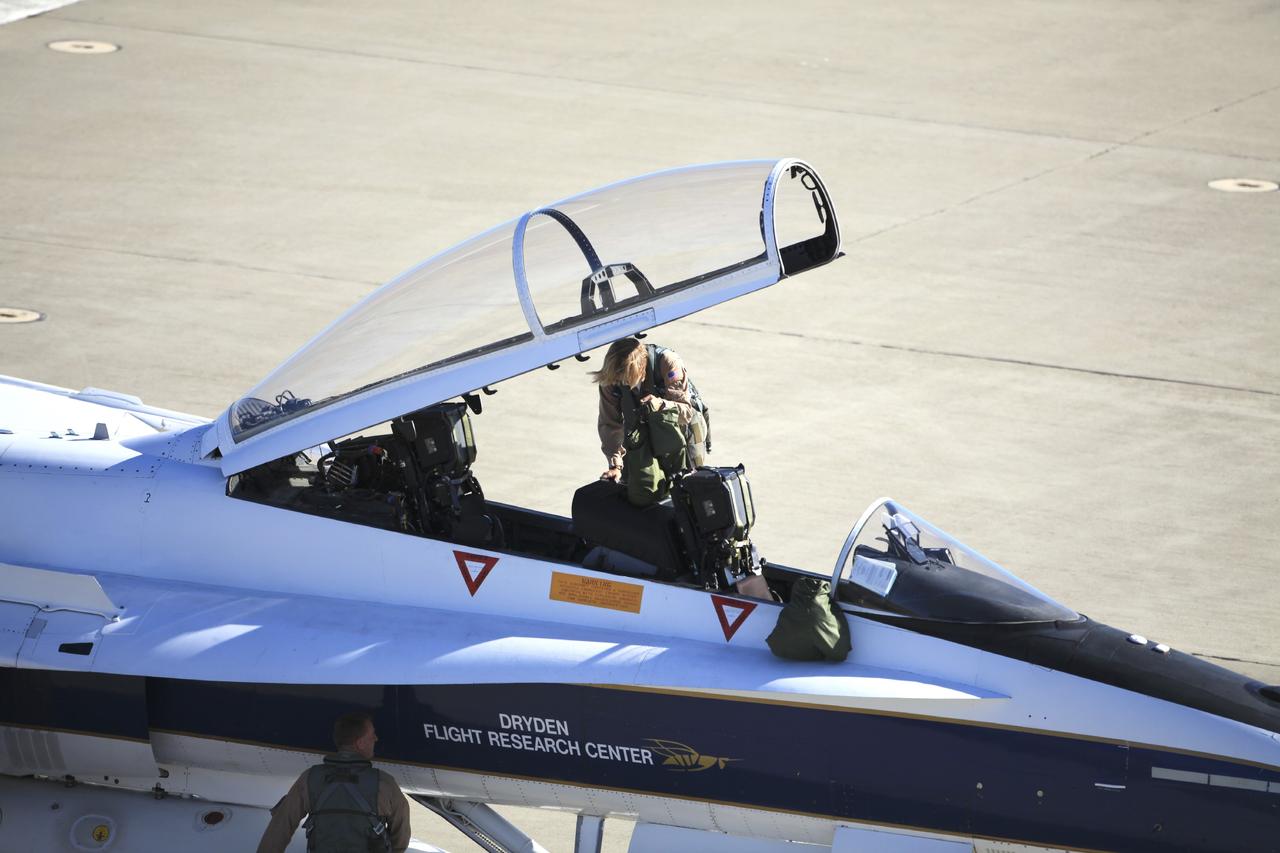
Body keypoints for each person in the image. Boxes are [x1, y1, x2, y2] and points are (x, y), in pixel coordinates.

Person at [257, 712, 411, 853]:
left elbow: (280, 826)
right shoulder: (384, 783)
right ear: (360, 743)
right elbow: (401, 834)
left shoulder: (310, 778)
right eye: (372, 735)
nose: (376, 739)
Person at [593, 337, 707, 483]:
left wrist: (660, 405)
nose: (622, 384)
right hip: (641, 427)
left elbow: (685, 413)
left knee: (691, 483)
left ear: (641, 370)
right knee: (638, 488)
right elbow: (609, 424)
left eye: (627, 380)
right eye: (619, 380)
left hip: (681, 429)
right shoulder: (611, 377)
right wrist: (615, 465)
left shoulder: (668, 362)